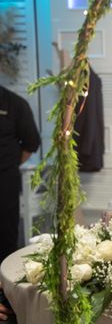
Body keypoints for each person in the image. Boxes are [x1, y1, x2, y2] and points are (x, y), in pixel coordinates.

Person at [0, 85, 41, 263]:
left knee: (6, 231)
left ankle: (4, 285)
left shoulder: (14, 103)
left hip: (4, 178)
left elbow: (31, 142)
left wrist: (10, 163)